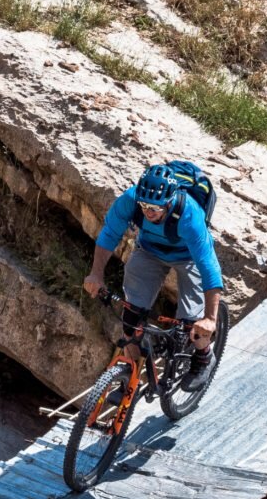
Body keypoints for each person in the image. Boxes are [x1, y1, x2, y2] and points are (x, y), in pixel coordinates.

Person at [83, 162, 222, 389]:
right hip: (149, 250)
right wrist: (96, 274)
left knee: (192, 323)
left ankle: (204, 357)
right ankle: (129, 372)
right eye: (144, 205)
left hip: (189, 258)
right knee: (131, 317)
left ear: (168, 202)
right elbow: (109, 234)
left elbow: (208, 267)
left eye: (155, 208)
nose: (148, 211)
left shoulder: (190, 215)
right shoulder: (130, 200)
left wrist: (210, 319)